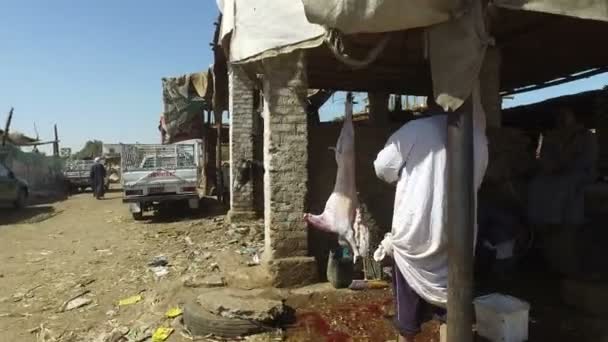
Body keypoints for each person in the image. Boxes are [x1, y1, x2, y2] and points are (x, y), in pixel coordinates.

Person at [372, 88, 488, 342]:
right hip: (458, 239)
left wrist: (409, 176)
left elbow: (382, 168)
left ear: (429, 104)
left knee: (407, 323)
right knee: (453, 313)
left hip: (416, 240)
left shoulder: (414, 130)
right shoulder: (477, 136)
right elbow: (477, 181)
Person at [528, 108, 598, 227]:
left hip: (580, 171)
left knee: (563, 185)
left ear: (573, 117)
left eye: (566, 115)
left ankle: (558, 221)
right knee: (537, 183)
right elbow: (544, 156)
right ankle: (538, 221)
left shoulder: (586, 135)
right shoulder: (551, 136)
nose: (562, 119)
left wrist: (568, 167)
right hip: (553, 171)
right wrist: (550, 167)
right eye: (559, 116)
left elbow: (589, 157)